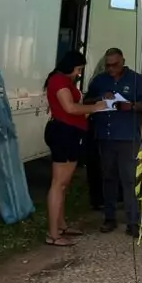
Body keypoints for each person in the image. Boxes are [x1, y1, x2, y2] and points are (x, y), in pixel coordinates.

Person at [44, 51, 106, 247]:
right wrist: (97, 108)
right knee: (59, 183)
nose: (79, 73)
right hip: (65, 133)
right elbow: (70, 108)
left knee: (64, 184)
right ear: (71, 66)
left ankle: (61, 225)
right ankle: (53, 234)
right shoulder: (60, 82)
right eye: (78, 69)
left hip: (70, 132)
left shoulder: (62, 80)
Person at [86, 48, 142, 237]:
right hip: (105, 136)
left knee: (129, 180)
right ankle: (109, 218)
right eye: (108, 65)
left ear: (123, 61)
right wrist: (99, 98)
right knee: (108, 178)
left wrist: (132, 106)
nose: (111, 69)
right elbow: (86, 100)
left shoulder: (137, 80)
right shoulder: (100, 80)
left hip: (128, 137)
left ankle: (133, 222)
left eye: (115, 65)